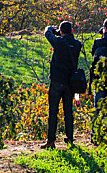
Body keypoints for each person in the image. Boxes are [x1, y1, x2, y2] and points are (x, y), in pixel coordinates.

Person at [41, 21, 83, 149]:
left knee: (53, 112)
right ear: (71, 31)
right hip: (70, 83)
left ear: (61, 31)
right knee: (68, 112)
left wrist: (51, 28)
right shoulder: (77, 45)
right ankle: (70, 139)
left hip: (56, 82)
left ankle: (51, 141)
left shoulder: (59, 43)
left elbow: (47, 33)